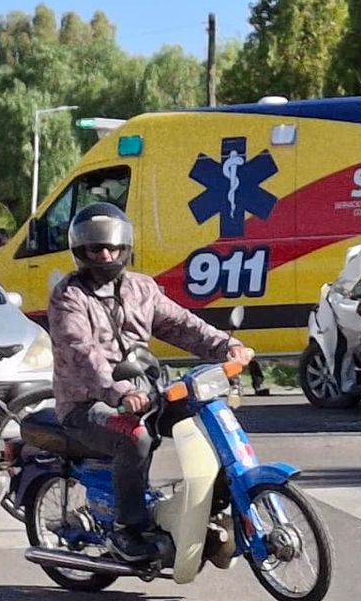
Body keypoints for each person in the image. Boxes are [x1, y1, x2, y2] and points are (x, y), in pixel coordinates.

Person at [47, 202, 252, 561]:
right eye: (97, 248)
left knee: (208, 416)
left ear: (126, 246)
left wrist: (228, 346)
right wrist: (119, 391)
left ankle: (210, 508)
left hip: (147, 393)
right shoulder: (68, 297)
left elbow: (183, 325)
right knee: (136, 437)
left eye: (113, 246)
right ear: (81, 250)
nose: (106, 254)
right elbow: (83, 352)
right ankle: (129, 529)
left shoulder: (142, 288)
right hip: (86, 403)